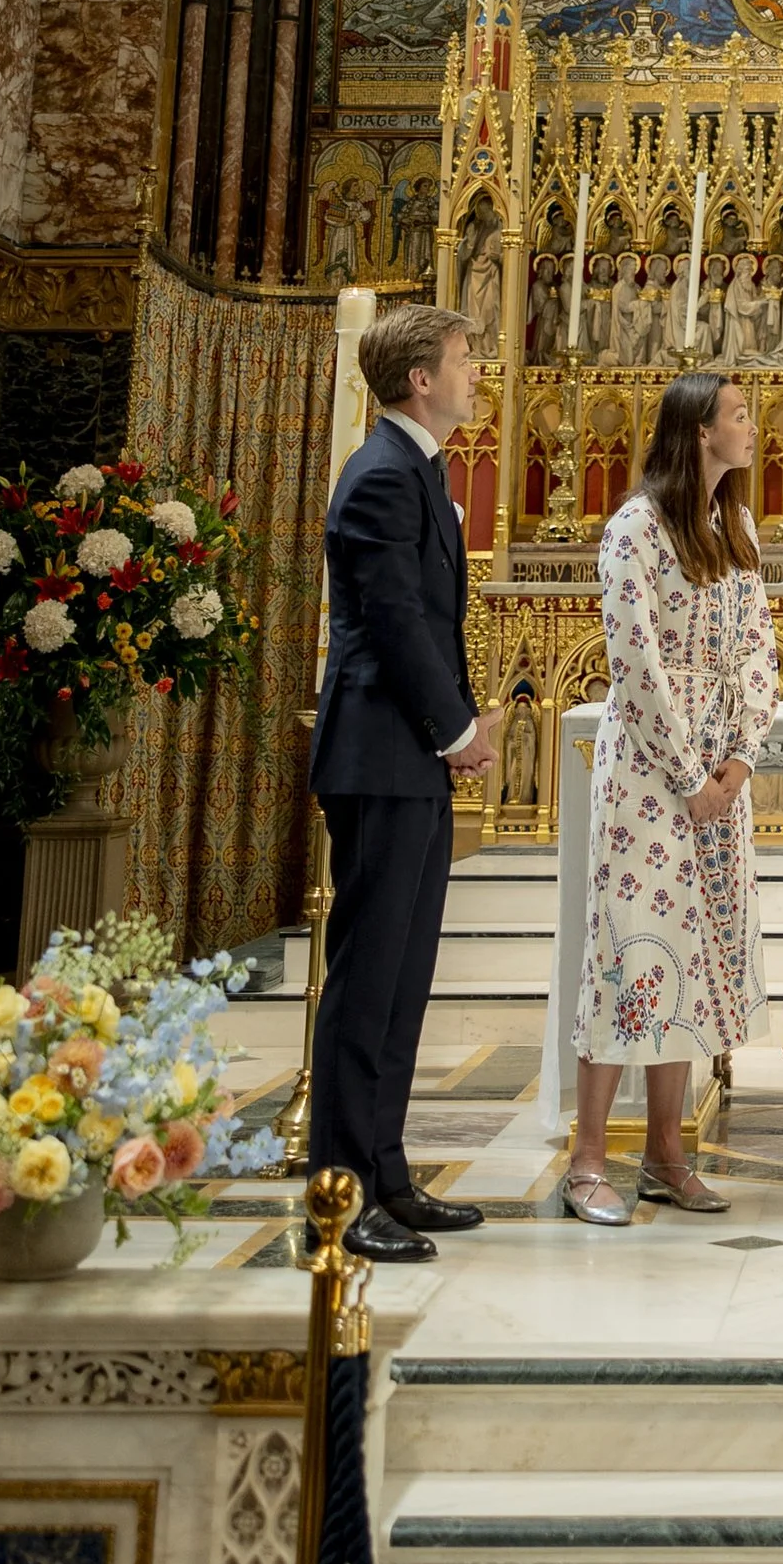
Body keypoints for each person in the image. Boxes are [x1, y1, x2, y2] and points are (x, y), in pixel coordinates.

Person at [308, 304, 500, 1263]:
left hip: (408, 758)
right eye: (465, 360)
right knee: (367, 978)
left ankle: (383, 1170)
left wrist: (454, 732)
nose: (477, 373)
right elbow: (393, 622)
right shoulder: (382, 474)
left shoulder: (414, 470)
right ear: (419, 377)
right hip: (383, 756)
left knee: (404, 982)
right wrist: (461, 729)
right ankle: (339, 1190)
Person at [568, 372, 778, 1225]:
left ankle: (665, 1153)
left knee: (689, 959)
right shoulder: (635, 530)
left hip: (718, 778)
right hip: (650, 778)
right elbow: (636, 663)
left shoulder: (738, 526)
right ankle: (588, 1159)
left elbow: (761, 645)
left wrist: (739, 758)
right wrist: (689, 773)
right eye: (739, 415)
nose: (753, 427)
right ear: (699, 432)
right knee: (629, 951)